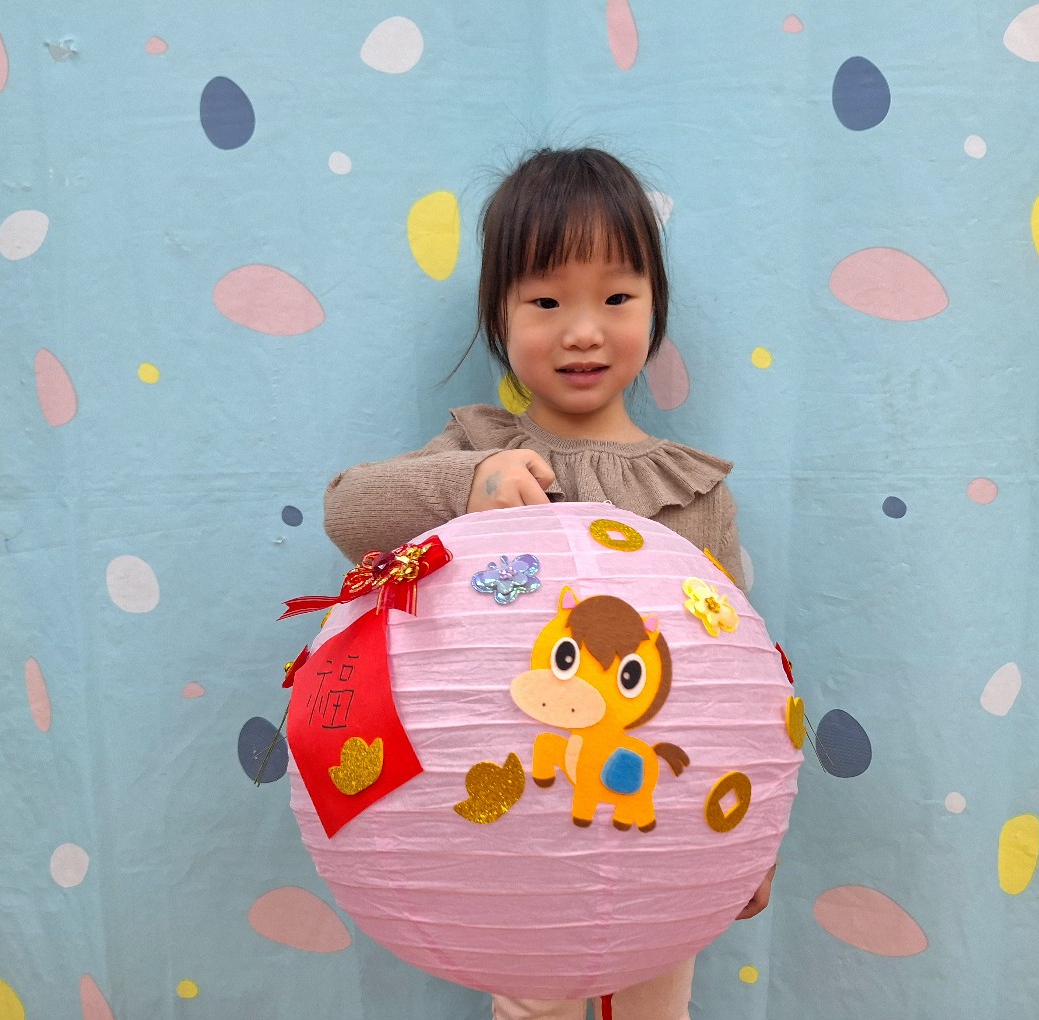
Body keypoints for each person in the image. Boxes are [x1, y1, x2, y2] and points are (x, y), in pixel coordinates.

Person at [323, 146, 775, 1020]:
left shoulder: (693, 490)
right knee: (532, 1007)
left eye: (616, 298)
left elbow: (741, 683)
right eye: (545, 301)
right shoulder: (479, 447)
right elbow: (349, 510)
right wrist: (470, 483)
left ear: (655, 305)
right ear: (498, 314)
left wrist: (753, 835)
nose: (583, 331)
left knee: (658, 1011)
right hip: (521, 840)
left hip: (662, 835)